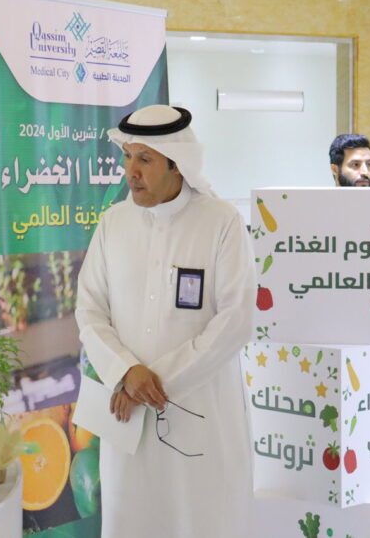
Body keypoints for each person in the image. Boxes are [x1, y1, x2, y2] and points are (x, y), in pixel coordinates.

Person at [74, 105, 254, 538]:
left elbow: (236, 321)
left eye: (145, 160)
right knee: (132, 517)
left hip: (201, 412)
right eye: (127, 157)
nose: (130, 171)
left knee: (203, 518)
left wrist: (153, 383)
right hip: (127, 416)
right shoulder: (113, 223)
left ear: (178, 165)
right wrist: (125, 372)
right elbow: (89, 308)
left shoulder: (221, 222)